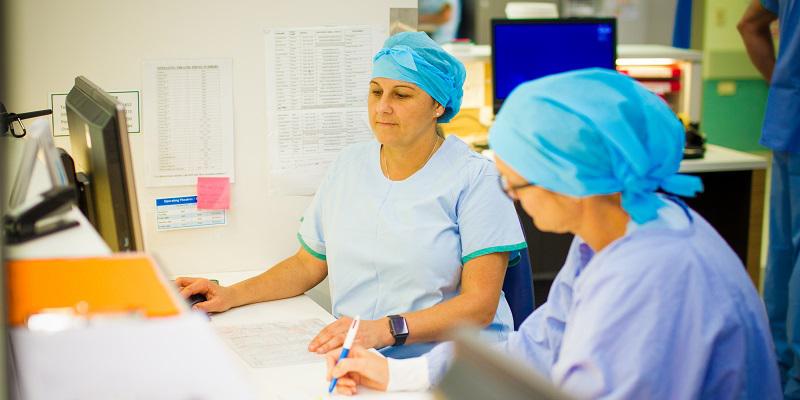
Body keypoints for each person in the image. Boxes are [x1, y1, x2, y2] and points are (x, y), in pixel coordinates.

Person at [325, 68, 783, 398]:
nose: (511, 197)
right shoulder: (613, 233)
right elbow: (541, 342)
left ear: (572, 182)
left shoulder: (654, 275)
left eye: (516, 183)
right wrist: (400, 375)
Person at [176, 32, 526, 359]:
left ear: (438, 106)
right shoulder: (349, 164)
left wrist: (384, 331)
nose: (382, 107)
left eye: (401, 95)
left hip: (451, 365)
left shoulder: (476, 178)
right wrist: (230, 294)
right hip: (359, 355)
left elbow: (479, 305)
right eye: (376, 92)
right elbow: (307, 264)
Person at [739, 1, 800, 396]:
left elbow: (749, 25)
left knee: (782, 253)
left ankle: (776, 374)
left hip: (788, 121)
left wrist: (787, 88)